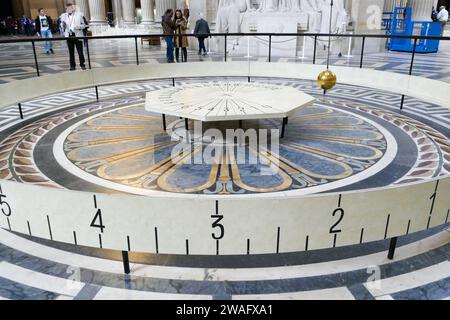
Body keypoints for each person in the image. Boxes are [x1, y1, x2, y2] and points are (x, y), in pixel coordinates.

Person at [60, 3, 86, 71]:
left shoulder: (79, 15)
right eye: (66, 8)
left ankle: (82, 64)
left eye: (68, 8)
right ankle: (72, 66)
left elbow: (84, 25)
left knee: (80, 51)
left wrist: (79, 27)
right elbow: (62, 26)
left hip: (77, 35)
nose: (67, 10)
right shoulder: (63, 16)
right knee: (71, 52)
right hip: (69, 36)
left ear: (72, 8)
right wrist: (63, 25)